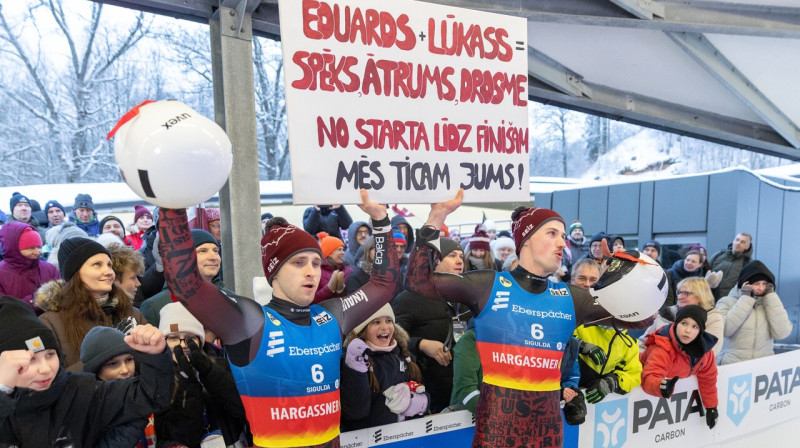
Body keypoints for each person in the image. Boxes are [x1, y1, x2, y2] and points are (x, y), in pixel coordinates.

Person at [405, 191, 652, 448]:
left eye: (564, 237)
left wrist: (625, 277)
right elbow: (417, 282)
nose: (561, 244)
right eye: (552, 233)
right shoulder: (489, 285)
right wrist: (436, 217)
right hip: (496, 429)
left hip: (547, 431)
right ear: (527, 240)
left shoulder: (570, 297)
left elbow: (638, 319)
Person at [157, 189, 398, 448]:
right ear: (274, 272)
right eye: (299, 263)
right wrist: (173, 202)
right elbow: (185, 283)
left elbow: (384, 284)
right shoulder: (250, 322)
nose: (311, 272)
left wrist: (381, 221)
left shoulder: (331, 316)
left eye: (316, 263)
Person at [0, 296, 173, 447]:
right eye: (31, 359)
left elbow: (150, 397)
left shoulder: (83, 391)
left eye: (50, 355)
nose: (45, 369)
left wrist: (155, 356)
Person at [36, 237, 146, 370]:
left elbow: (152, 368)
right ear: (75, 273)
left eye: (109, 265)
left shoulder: (131, 313)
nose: (109, 272)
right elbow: (50, 378)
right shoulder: (50, 322)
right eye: (97, 264)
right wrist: (103, 355)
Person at [156, 302, 249, 448]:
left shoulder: (222, 365)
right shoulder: (158, 379)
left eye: (190, 338)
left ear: (200, 341)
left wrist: (210, 373)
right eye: (173, 338)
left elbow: (244, 409)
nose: (183, 345)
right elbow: (175, 434)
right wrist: (188, 386)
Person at [394, 237, 469, 414]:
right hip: (422, 391)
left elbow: (463, 334)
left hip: (457, 386)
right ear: (434, 261)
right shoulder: (409, 298)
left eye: (461, 256)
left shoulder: (463, 296)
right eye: (452, 255)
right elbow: (390, 339)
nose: (459, 261)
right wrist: (421, 344)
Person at [341, 304, 428, 431]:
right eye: (376, 322)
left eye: (388, 321)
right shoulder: (351, 359)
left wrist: (420, 403)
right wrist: (356, 367)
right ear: (362, 330)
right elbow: (355, 412)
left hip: (404, 436)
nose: (384, 327)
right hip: (368, 438)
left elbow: (420, 387)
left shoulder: (403, 355)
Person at [640, 305, 718, 430]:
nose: (688, 330)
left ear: (700, 331)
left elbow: (708, 379)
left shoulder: (705, 352)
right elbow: (650, 376)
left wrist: (711, 407)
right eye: (684, 323)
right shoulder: (662, 348)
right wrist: (661, 385)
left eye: (695, 326)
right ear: (676, 323)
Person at [80, 326, 154, 448]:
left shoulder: (143, 391)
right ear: (96, 370)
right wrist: (137, 416)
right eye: (113, 364)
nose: (125, 370)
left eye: (129, 360)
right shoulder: (87, 411)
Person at [140, 229, 225, 327]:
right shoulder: (155, 306)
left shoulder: (230, 300)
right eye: (202, 251)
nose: (213, 257)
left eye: (216, 251)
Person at [715, 260, 792, 365]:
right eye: (756, 284)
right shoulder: (726, 302)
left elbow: (782, 333)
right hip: (732, 366)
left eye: (764, 284)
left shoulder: (770, 304)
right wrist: (746, 298)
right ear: (745, 283)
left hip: (763, 366)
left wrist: (771, 297)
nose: (761, 288)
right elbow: (725, 330)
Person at [639, 277, 723, 356]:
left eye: (686, 293)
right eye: (679, 292)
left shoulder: (713, 318)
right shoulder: (667, 313)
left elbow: (709, 353)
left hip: (688, 370)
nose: (679, 297)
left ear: (701, 296)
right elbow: (643, 343)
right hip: (651, 364)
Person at [0, 222, 60, 312]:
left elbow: (63, 297)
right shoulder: (2, 274)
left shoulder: (49, 269)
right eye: (30, 248)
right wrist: (36, 299)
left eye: (39, 247)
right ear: (13, 249)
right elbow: (4, 310)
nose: (37, 252)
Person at [709, 233, 754, 299]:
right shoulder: (718, 255)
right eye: (737, 240)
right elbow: (705, 273)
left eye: (743, 242)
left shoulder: (749, 263)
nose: (738, 243)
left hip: (730, 302)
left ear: (747, 247)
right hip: (709, 297)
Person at [313, 231, 352, 304]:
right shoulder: (317, 272)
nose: (343, 252)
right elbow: (313, 300)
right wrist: (329, 289)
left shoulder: (348, 270)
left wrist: (342, 290)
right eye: (339, 249)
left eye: (343, 249)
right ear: (329, 253)